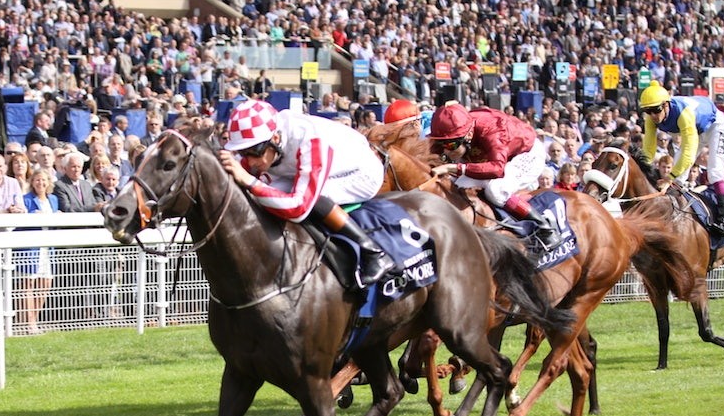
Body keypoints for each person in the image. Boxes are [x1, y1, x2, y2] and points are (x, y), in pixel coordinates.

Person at [217, 99, 394, 287]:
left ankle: (374, 253)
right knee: (267, 194)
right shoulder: (265, 141)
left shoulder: (309, 139)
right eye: (244, 153)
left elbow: (299, 207)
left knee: (313, 200)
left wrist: (250, 181)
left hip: (360, 172)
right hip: (300, 169)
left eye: (255, 152)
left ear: (275, 139)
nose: (250, 162)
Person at [427, 102, 562, 248]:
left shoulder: (492, 130)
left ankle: (544, 227)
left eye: (450, 146)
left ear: (468, 135)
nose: (445, 151)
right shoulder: (457, 131)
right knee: (457, 186)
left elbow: (497, 169)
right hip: (498, 157)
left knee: (495, 190)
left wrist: (455, 167)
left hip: (527, 154)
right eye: (442, 144)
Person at [639, 80, 724, 234]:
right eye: (647, 111)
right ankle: (675, 215)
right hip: (696, 128)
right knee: (678, 178)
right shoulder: (650, 119)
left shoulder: (683, 113)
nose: (653, 115)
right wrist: (643, 168)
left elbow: (688, 153)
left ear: (666, 104)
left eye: (655, 110)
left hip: (714, 124)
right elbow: (648, 149)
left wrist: (670, 177)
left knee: (714, 171)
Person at [17, 168, 59, 335]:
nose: (40, 183)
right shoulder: (26, 199)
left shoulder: (53, 199)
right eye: (37, 180)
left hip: (47, 248)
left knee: (45, 284)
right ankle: (28, 323)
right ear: (32, 182)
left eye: (43, 180)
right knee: (27, 285)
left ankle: (33, 319)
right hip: (30, 248)